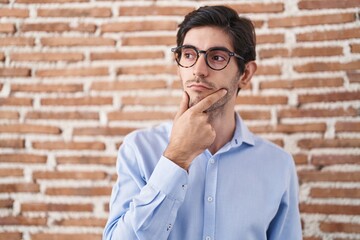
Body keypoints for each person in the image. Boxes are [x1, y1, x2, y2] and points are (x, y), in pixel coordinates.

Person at [103, 5, 302, 240]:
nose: (198, 70)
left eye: (217, 57)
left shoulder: (277, 164)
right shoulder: (139, 149)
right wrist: (176, 158)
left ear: (246, 74)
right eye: (189, 55)